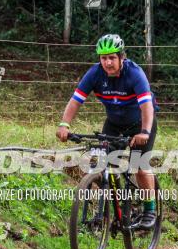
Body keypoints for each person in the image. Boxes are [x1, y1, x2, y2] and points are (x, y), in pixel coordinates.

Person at [56, 33, 159, 229]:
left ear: (122, 57)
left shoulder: (135, 74)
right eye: (104, 58)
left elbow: (147, 107)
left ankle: (150, 209)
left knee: (139, 165)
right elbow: (76, 99)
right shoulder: (95, 74)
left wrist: (145, 132)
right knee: (106, 166)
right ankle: (117, 208)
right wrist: (64, 125)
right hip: (114, 124)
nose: (108, 62)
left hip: (141, 123)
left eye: (112, 57)